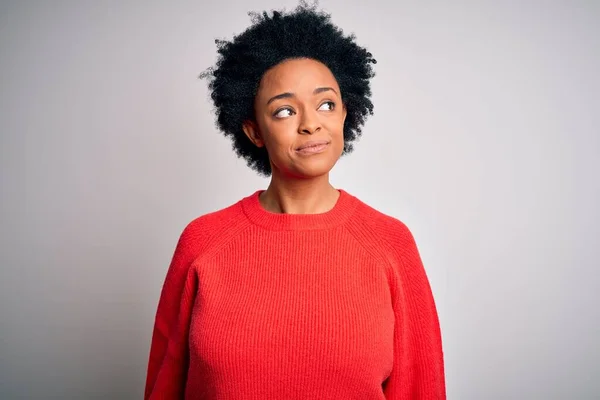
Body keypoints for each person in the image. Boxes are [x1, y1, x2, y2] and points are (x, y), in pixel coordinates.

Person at [144, 3, 445, 399]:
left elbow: (421, 388)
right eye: (285, 110)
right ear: (254, 131)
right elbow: (163, 387)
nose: (310, 122)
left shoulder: (390, 243)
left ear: (344, 114)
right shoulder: (202, 242)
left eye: (326, 104)